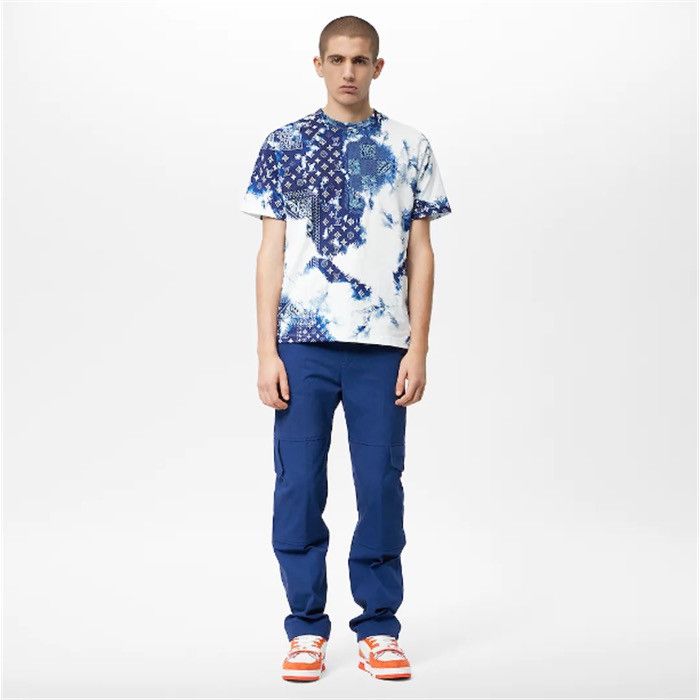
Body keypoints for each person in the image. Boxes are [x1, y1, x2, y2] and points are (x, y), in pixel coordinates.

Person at [240, 15, 452, 683]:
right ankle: (305, 627)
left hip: (382, 347)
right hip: (302, 345)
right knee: (299, 485)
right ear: (319, 65)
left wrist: (419, 347)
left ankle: (379, 627)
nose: (349, 71)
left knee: (380, 487)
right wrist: (266, 351)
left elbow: (421, 252)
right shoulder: (285, 144)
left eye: (360, 60)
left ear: (377, 67)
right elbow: (270, 252)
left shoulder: (409, 145)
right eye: (337, 59)